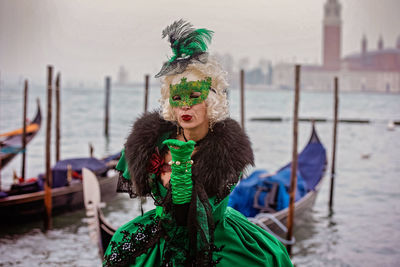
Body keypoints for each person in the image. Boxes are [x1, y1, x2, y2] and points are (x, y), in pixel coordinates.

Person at [103, 20, 293, 267]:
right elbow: (163, 203)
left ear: (211, 100)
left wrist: (181, 169)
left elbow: (198, 212)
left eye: (194, 96)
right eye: (178, 97)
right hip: (162, 233)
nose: (185, 105)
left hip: (216, 234)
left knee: (269, 259)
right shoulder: (151, 143)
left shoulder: (227, 151)